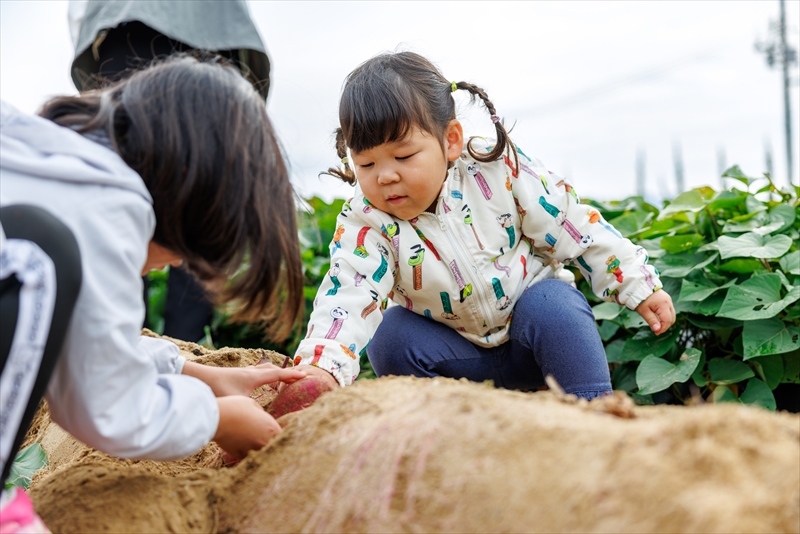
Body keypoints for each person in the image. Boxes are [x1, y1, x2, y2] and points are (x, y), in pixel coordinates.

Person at [0, 56, 305, 511]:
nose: (177, 261)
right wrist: (218, 418)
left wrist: (196, 374)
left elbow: (87, 341)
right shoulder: (109, 204)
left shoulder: (48, 159)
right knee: (46, 257)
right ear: (188, 196)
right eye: (192, 246)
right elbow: (108, 405)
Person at [287, 51, 675, 399]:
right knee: (392, 335)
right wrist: (323, 367)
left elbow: (574, 225)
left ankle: (593, 409)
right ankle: (439, 431)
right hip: (456, 359)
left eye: (403, 155)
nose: (385, 176)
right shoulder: (366, 221)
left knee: (553, 303)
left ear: (450, 140)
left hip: (532, 344)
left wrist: (636, 282)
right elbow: (349, 292)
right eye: (367, 164)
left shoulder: (497, 171)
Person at [68, 0, 272, 341]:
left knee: (128, 184)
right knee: (199, 191)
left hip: (129, 21)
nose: (175, 260)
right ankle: (155, 346)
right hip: (209, 30)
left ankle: (143, 346)